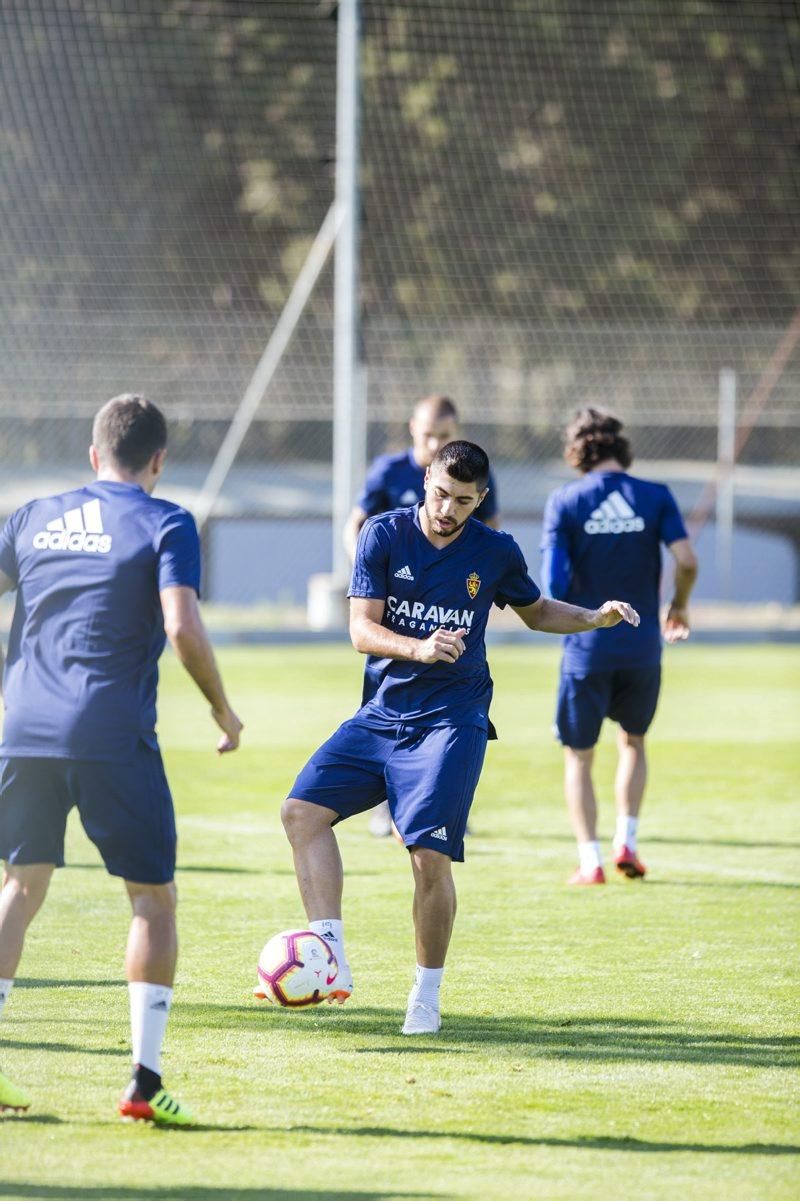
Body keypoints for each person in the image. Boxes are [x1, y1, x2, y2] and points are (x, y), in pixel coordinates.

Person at [280, 440, 638, 1035]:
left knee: (427, 855)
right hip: (381, 714)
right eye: (441, 494)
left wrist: (593, 617)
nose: (448, 509)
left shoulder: (494, 550)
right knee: (301, 813)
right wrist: (417, 647)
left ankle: (425, 995)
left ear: (482, 500)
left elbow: (536, 610)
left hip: (454, 718)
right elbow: (361, 629)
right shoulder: (382, 535)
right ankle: (329, 954)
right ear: (427, 479)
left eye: (463, 501)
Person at [0, 394, 243, 1123]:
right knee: (152, 898)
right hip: (110, 731)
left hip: (23, 728)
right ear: (159, 461)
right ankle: (143, 1081)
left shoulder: (34, 514)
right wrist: (220, 708)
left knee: (19, 887)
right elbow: (181, 623)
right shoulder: (165, 519)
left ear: (93, 453)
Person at [541, 408, 698, 886]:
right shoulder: (654, 496)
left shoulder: (566, 501)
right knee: (633, 742)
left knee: (579, 756)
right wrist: (679, 606)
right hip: (642, 649)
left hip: (586, 651)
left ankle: (590, 862)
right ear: (619, 447)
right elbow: (687, 560)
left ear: (577, 450)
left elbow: (552, 584)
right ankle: (626, 841)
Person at [344, 394, 500, 837]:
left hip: (448, 607)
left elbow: (490, 539)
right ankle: (383, 799)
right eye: (429, 433)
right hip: (392, 611)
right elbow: (355, 524)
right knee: (388, 696)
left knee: (451, 702)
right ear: (413, 427)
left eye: (444, 435)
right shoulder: (389, 473)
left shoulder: (470, 471)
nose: (434, 441)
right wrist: (369, 577)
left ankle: (439, 805)